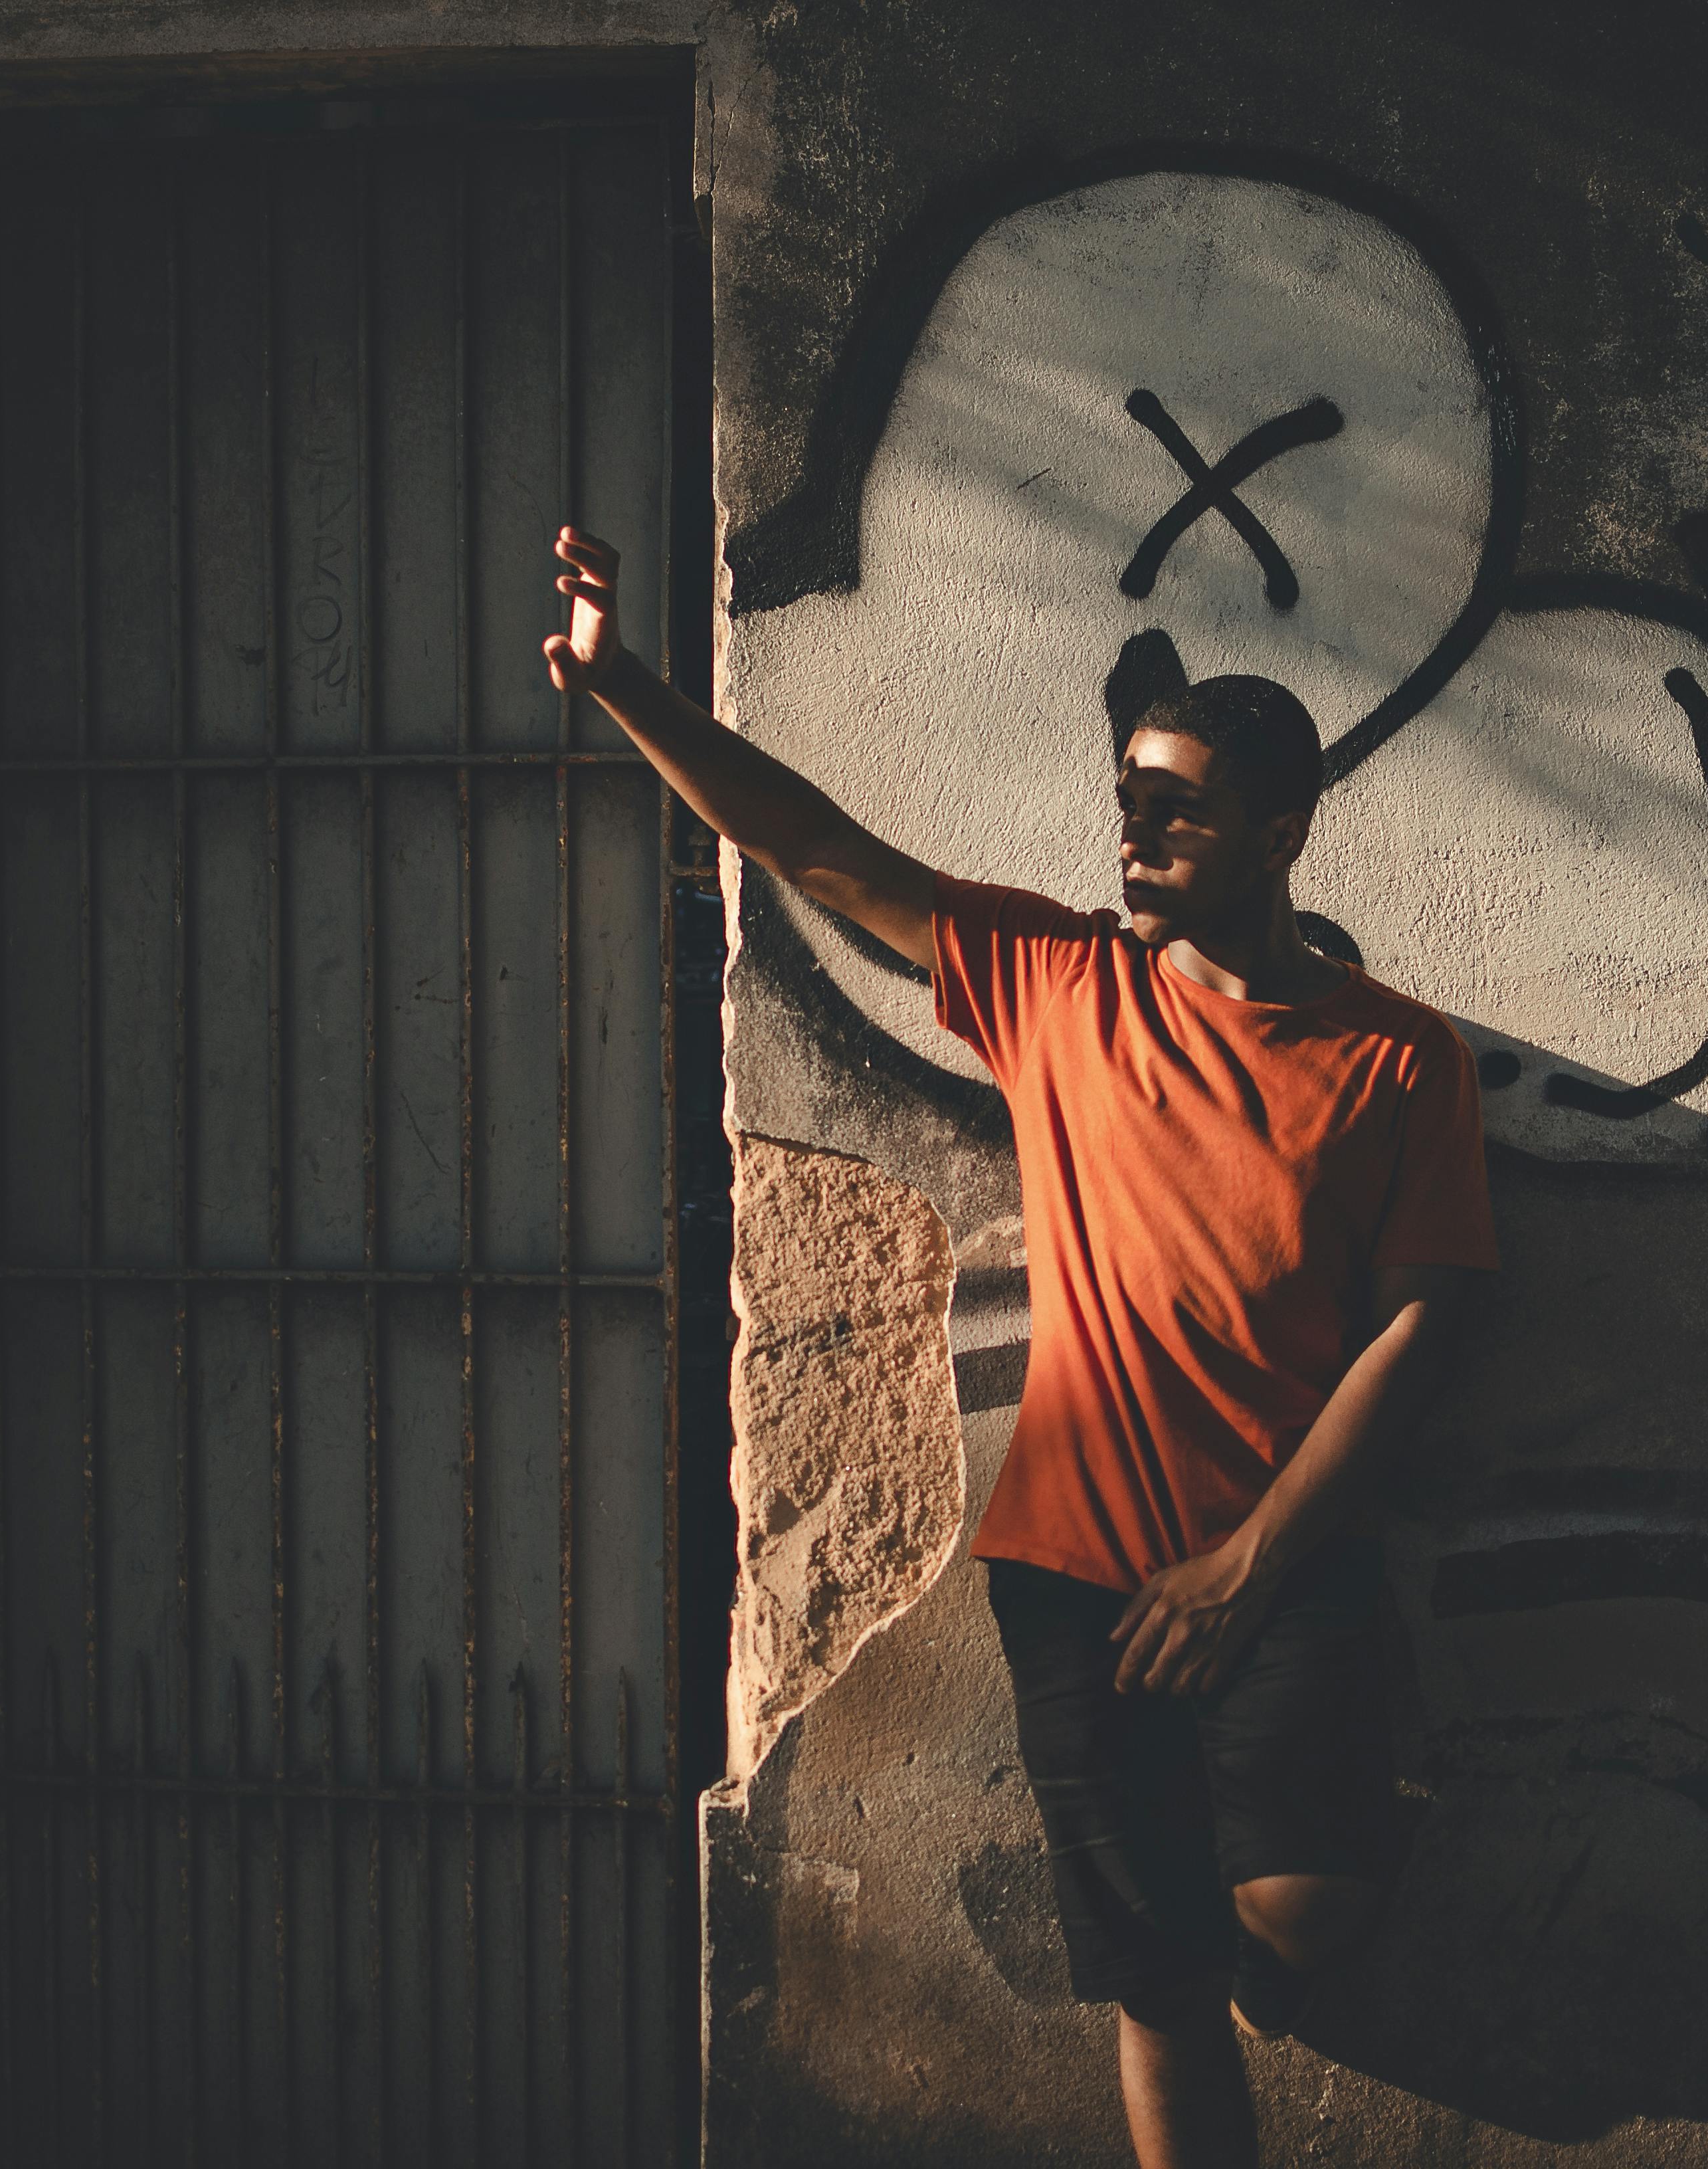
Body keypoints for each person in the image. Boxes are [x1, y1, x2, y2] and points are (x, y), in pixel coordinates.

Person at [544, 526, 1497, 2168]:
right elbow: (820, 851)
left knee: (1314, 1916)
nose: (1139, 831)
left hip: (1285, 1562)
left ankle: (1203, 1931)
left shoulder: (1400, 1062)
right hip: (1074, 1580)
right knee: (1163, 1990)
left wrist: (1252, 1567)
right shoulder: (1058, 983)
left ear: (1280, 836)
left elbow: (1426, 1321)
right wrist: (620, 682)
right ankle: (1168, 1957)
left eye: (1180, 806)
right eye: (1129, 799)